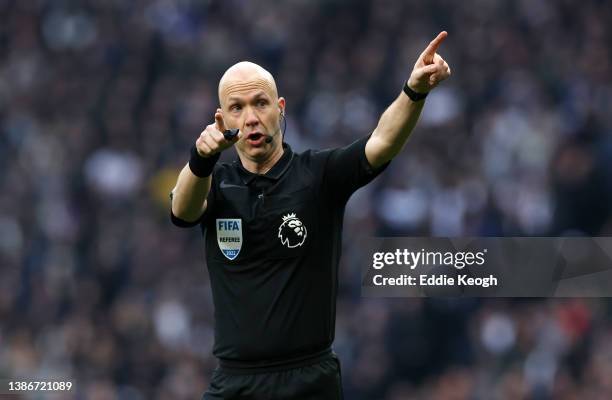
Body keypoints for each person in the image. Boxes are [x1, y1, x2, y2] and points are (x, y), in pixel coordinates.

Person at [170, 31, 451, 400]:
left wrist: (414, 91)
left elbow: (380, 144)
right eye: (237, 108)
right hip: (235, 383)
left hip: (308, 381)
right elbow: (183, 210)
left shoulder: (317, 175)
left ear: (280, 107)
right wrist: (200, 158)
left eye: (261, 103)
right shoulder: (215, 182)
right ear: (221, 120)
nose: (251, 118)